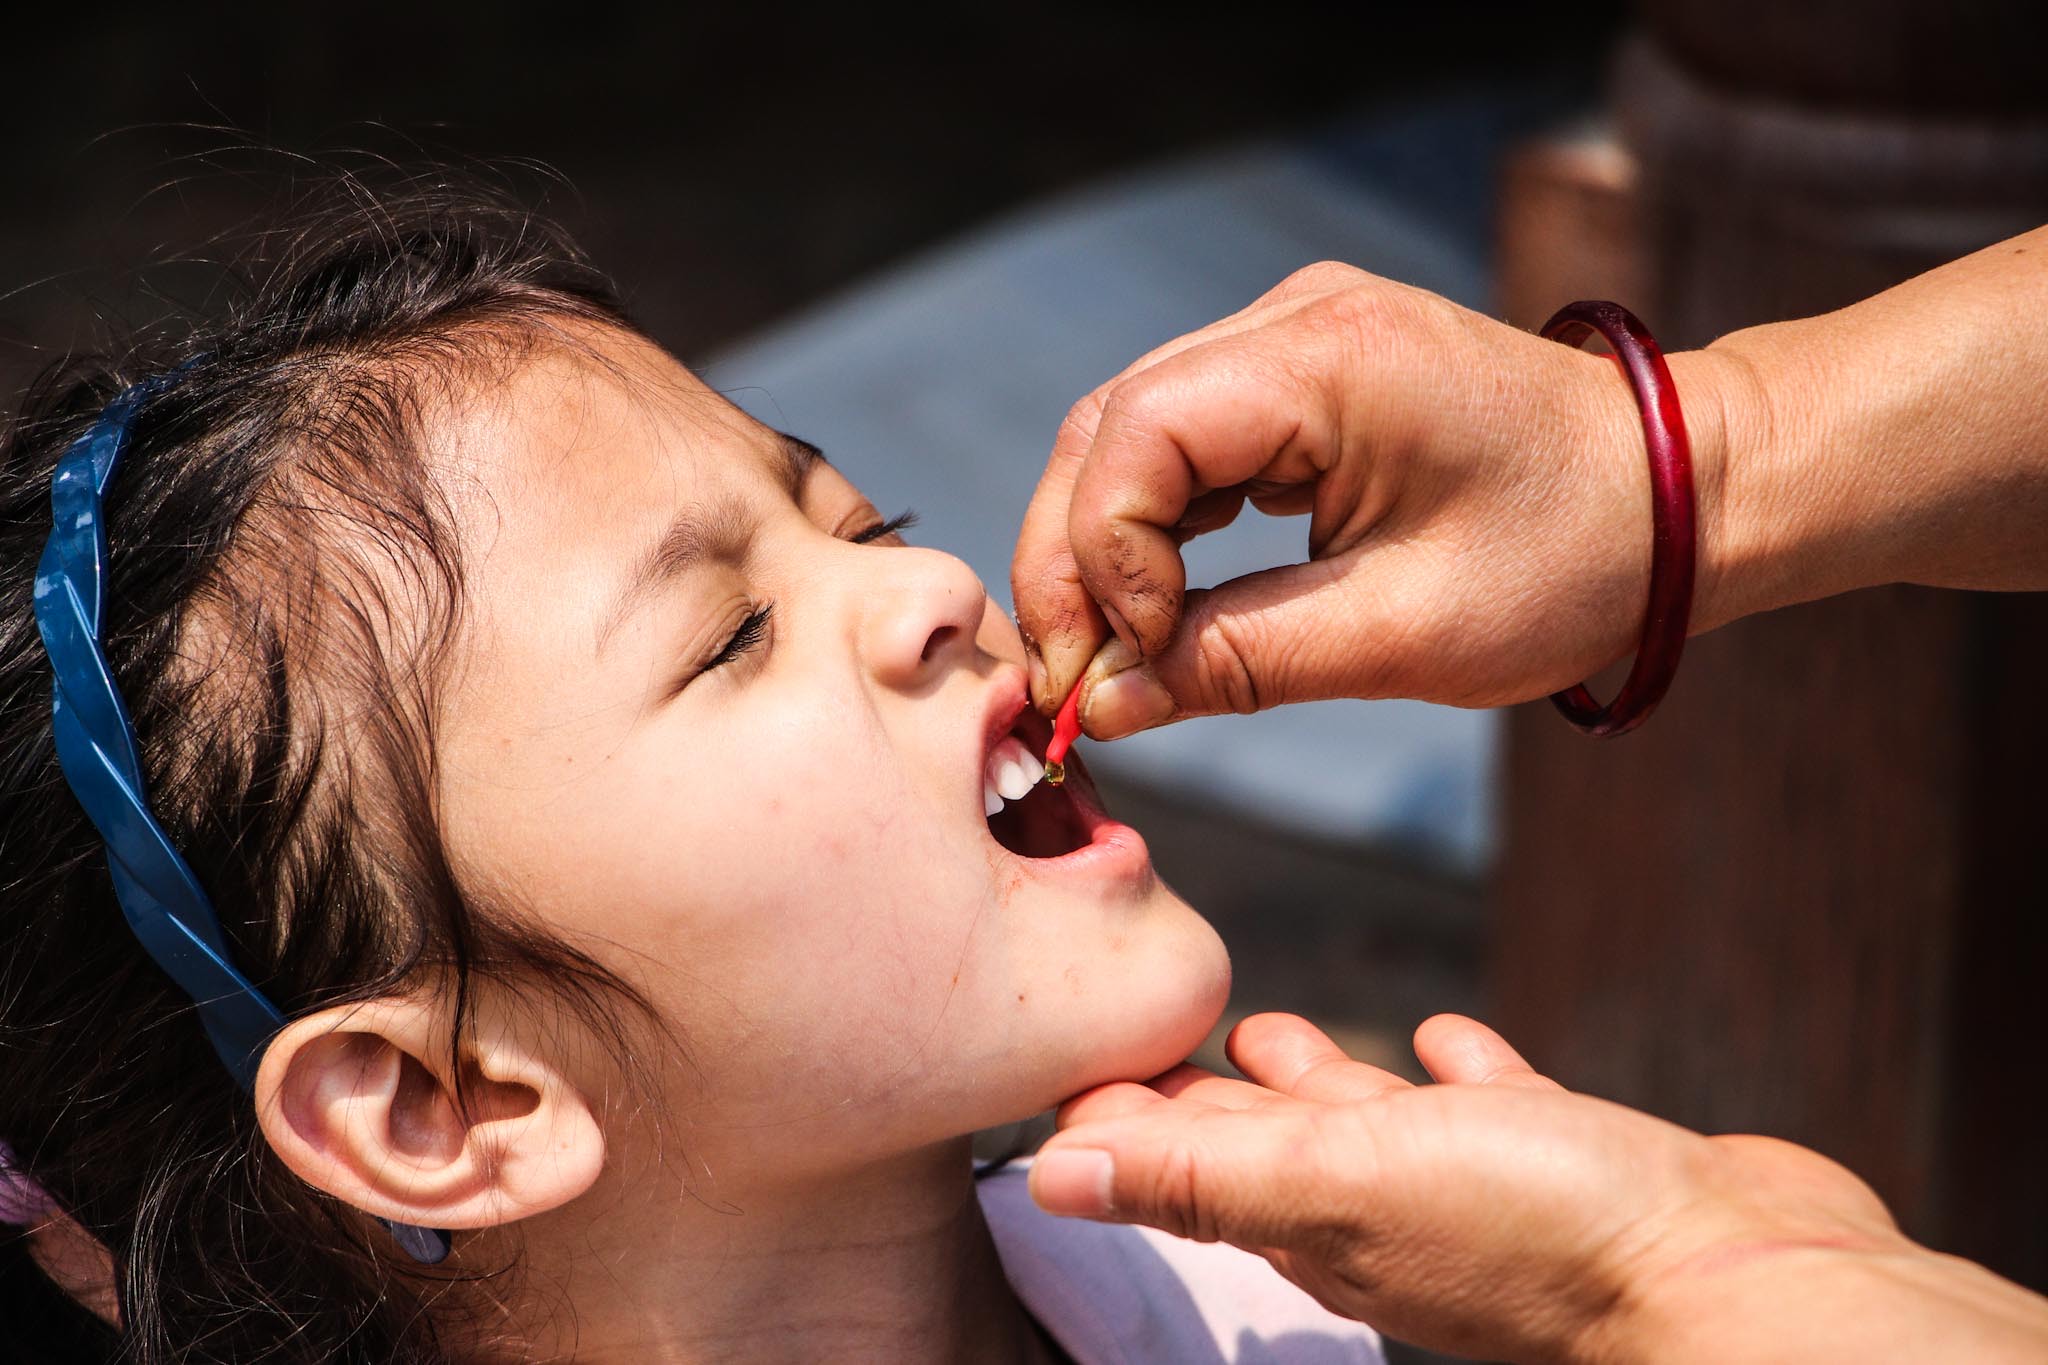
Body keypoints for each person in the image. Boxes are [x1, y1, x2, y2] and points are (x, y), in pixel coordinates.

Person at [0, 181, 1383, 1363]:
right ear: (449, 1101)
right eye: (732, 637)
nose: (935, 586)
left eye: (859, 520)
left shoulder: (1266, 1300)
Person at [1010, 226, 2048, 1361]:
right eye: (767, 626)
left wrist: (1667, 1270)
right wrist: (1678, 1266)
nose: (935, 585)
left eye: (875, 529)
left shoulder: (1247, 1314)